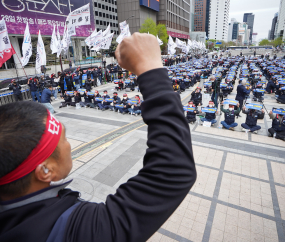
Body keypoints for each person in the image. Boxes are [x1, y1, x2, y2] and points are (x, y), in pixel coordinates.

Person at [0, 33, 196, 242]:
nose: (69, 145)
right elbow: (173, 171)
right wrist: (151, 69)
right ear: (46, 171)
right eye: (63, 140)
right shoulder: (74, 231)